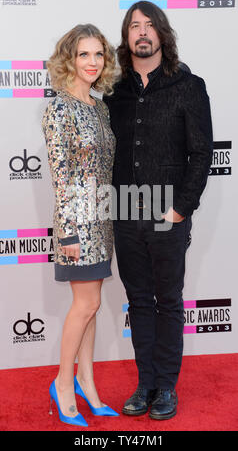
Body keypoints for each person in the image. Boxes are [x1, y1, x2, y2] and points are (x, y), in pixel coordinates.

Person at [104, 1, 213, 420]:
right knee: (138, 301)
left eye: (150, 25)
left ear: (162, 33)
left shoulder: (189, 85)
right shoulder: (114, 91)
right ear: (127, 36)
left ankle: (166, 386)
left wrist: (182, 209)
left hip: (168, 216)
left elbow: (201, 153)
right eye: (135, 26)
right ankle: (145, 382)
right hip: (126, 211)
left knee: (168, 300)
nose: (142, 32)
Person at [42, 24, 118, 426]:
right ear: (69, 58)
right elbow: (61, 174)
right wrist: (70, 232)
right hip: (77, 223)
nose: (92, 62)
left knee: (93, 306)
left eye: (98, 55)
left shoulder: (99, 106)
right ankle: (63, 384)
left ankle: (88, 384)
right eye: (84, 54)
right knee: (84, 304)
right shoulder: (59, 108)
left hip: (102, 222)